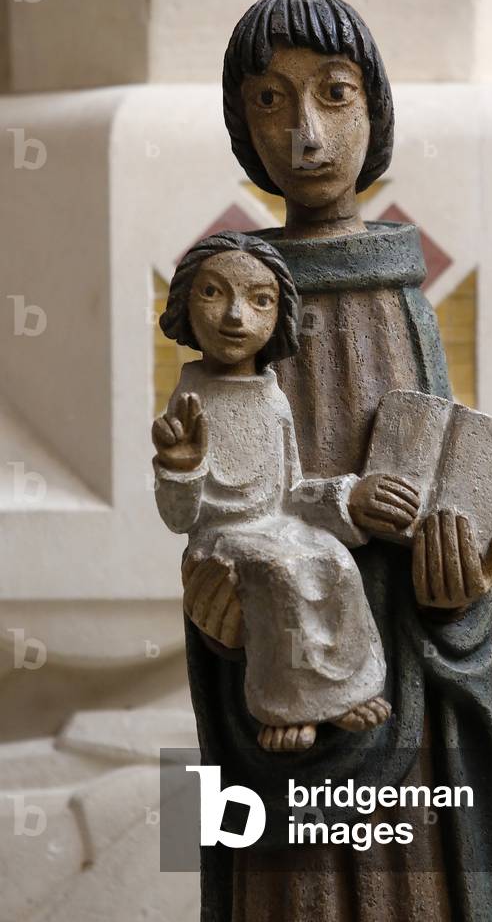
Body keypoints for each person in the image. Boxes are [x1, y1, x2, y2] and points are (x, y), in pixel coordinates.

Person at [187, 0, 492, 921]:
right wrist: (215, 619)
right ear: (243, 126)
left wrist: (459, 600)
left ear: (377, 110)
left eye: (334, 95)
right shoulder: (233, 296)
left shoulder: (404, 293)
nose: (307, 137)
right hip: (278, 695)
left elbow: (456, 516)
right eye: (270, 102)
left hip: (403, 716)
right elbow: (216, 505)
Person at [152, 231, 394, 751]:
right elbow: (179, 518)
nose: (236, 316)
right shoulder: (190, 399)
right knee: (279, 569)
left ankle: (348, 689)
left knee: (331, 557)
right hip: (221, 540)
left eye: (259, 300)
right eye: (213, 294)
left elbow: (291, 491)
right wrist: (181, 467)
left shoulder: (273, 398)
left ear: (279, 315)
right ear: (184, 305)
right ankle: (288, 705)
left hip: (277, 526)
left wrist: (345, 499)